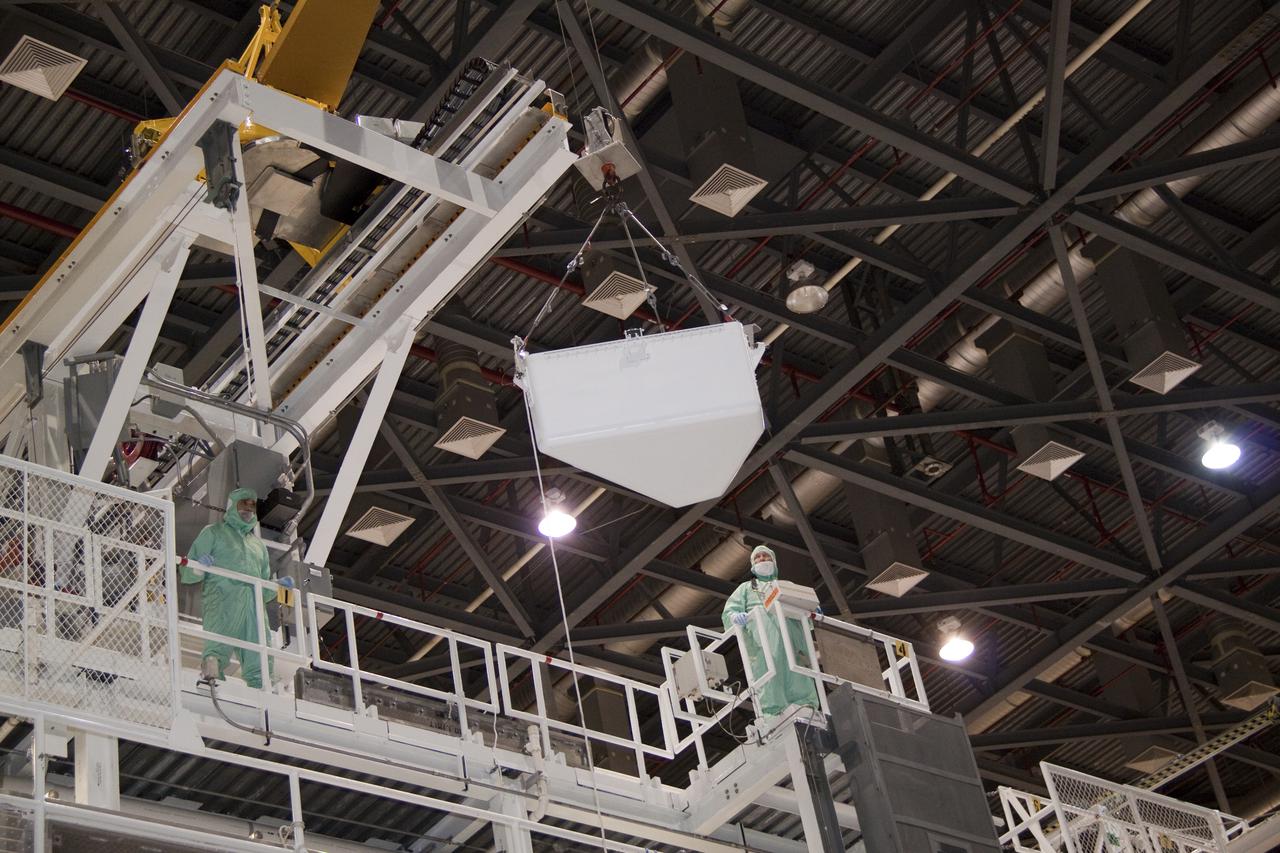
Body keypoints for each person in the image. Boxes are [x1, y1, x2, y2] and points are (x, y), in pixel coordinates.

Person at [180, 487, 291, 688]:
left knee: (259, 652)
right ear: (232, 506)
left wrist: (277, 587)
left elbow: (264, 589)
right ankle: (212, 679)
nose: (248, 509)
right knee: (217, 646)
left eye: (252, 505)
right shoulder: (213, 532)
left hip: (254, 608)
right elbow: (187, 571)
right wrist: (199, 567)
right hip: (223, 600)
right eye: (243, 504)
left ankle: (264, 691)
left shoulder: (259, 547)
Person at [721, 544, 821, 718]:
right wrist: (735, 617)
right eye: (758, 557)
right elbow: (729, 612)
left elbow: (807, 609)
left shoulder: (787, 586)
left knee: (797, 671)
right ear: (753, 565)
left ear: (774, 562)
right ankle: (773, 713)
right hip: (762, 643)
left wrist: (815, 612)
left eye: (766, 556)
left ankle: (806, 705)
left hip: (792, 640)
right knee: (768, 674)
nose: (762, 559)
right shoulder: (745, 588)